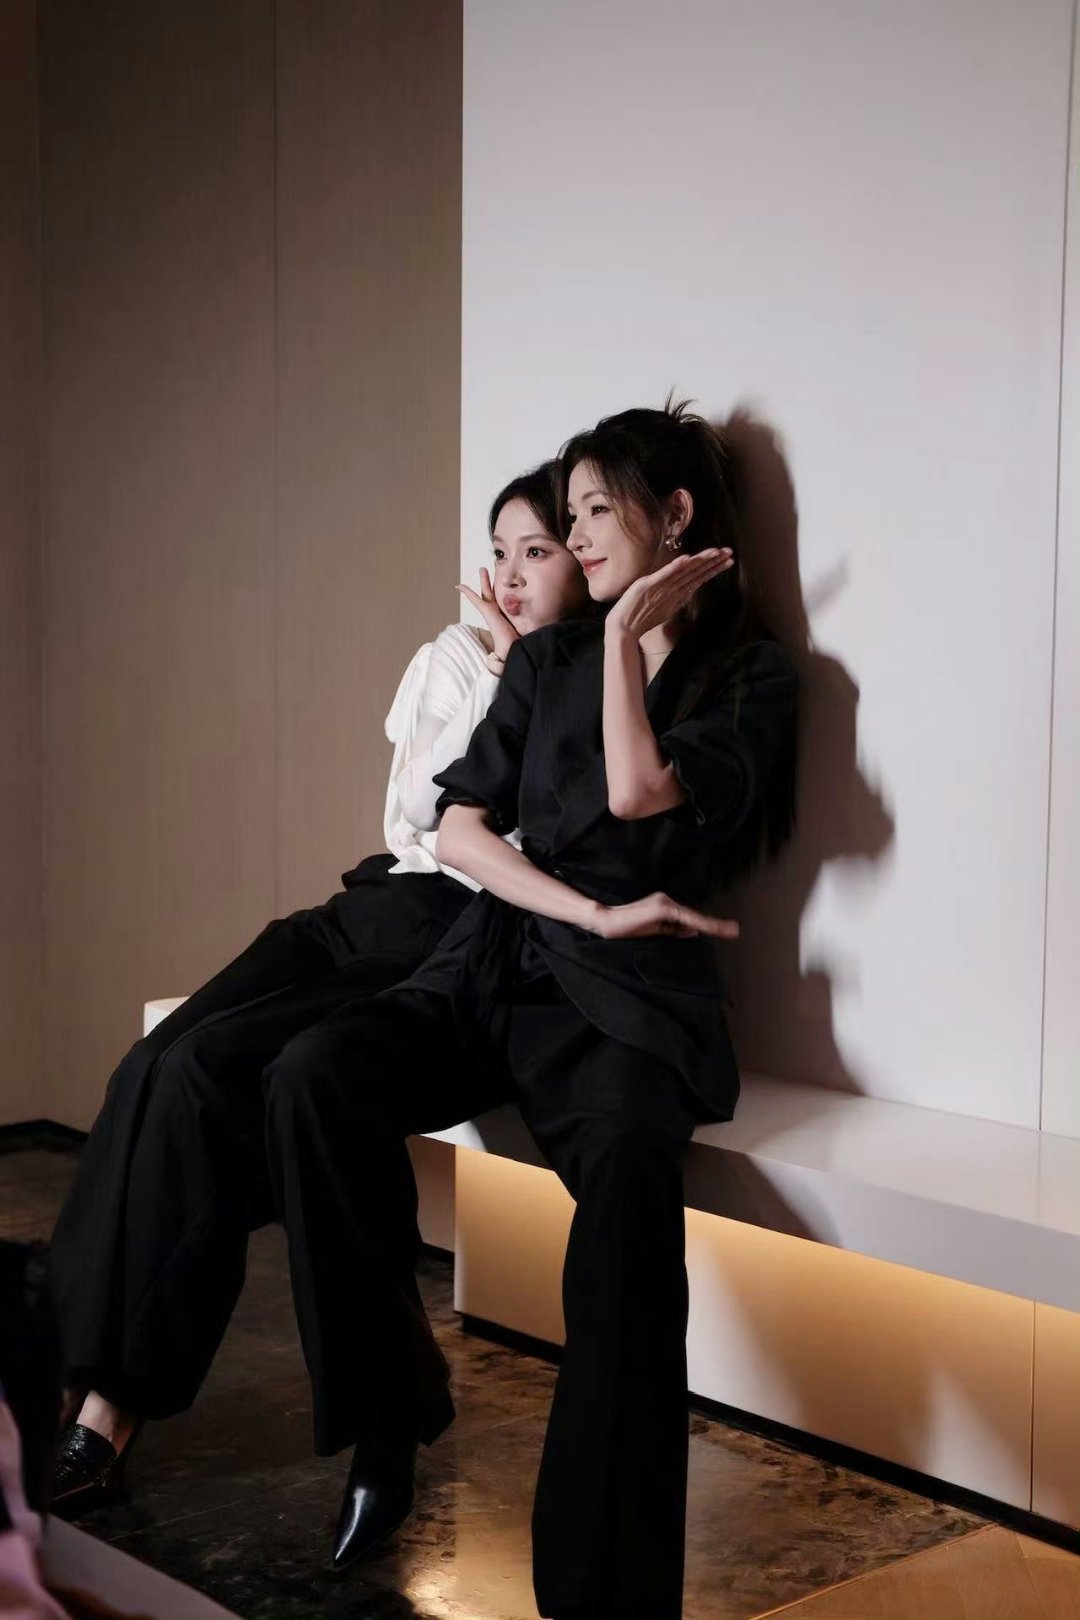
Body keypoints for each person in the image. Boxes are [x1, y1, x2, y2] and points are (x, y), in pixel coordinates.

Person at [262, 401, 798, 1617]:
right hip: (500, 962)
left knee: (628, 1202)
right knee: (311, 1076)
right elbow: (459, 829)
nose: (579, 535)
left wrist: (621, 651)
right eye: (574, 514)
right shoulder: (548, 657)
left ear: (677, 516)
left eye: (599, 510)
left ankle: (600, 1596)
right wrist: (587, 910)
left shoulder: (749, 677)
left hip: (627, 1011)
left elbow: (640, 789)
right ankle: (392, 1414)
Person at [45, 460, 592, 1515]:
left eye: (540, 551)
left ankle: (109, 1409)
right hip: (370, 903)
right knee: (153, 1060)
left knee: (210, 1073)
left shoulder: (592, 683)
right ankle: (65, 1373)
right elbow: (421, 810)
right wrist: (502, 674)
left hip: (459, 937)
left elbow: (521, 839)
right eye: (501, 553)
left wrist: (527, 674)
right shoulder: (450, 656)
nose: (513, 576)